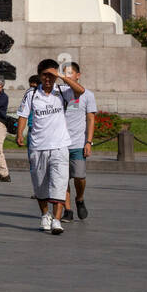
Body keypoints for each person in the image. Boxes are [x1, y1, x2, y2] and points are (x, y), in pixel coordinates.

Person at [15, 58, 87, 235]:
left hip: (60, 146)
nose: (48, 78)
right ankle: (45, 214)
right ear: (39, 75)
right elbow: (23, 115)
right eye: (45, 75)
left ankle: (56, 220)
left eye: (51, 75)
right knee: (40, 185)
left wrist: (61, 76)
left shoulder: (61, 91)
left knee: (59, 183)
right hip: (38, 146)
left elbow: (80, 91)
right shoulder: (31, 94)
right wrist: (20, 133)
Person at [60, 62, 97, 221]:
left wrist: (88, 142)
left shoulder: (87, 95)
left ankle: (79, 198)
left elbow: (90, 119)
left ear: (78, 75)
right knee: (63, 179)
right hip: (61, 143)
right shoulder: (60, 92)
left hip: (78, 142)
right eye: (64, 73)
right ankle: (67, 210)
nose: (65, 76)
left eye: (69, 73)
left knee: (79, 177)